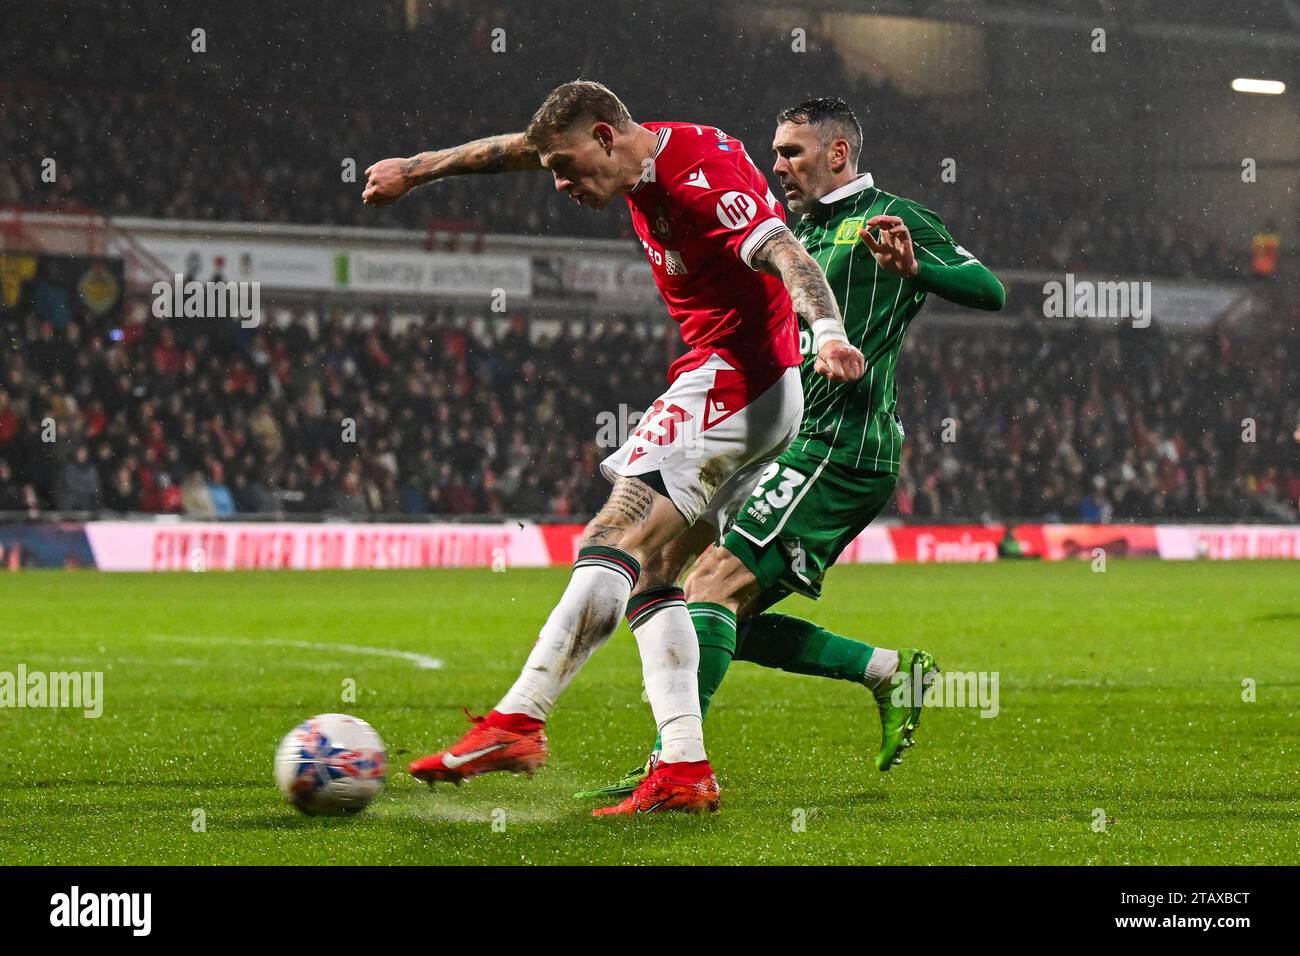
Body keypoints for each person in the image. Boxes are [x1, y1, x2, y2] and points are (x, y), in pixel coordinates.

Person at [363, 81, 865, 815]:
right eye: (555, 171)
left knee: (611, 537)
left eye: (568, 167)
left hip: (736, 379)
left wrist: (829, 334)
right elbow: (516, 151)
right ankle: (684, 769)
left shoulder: (703, 181)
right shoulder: (629, 148)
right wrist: (418, 167)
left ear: (606, 137)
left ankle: (519, 718)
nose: (561, 183)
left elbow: (788, 254)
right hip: (755, 390)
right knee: (657, 573)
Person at [577, 97, 1007, 800]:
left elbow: (990, 290)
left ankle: (674, 769)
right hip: (781, 442)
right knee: (701, 608)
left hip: (840, 446)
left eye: (792, 152)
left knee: (711, 588)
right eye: (774, 152)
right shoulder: (791, 230)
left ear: (838, 154)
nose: (777, 164)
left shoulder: (897, 218)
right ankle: (888, 670)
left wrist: (916, 270)